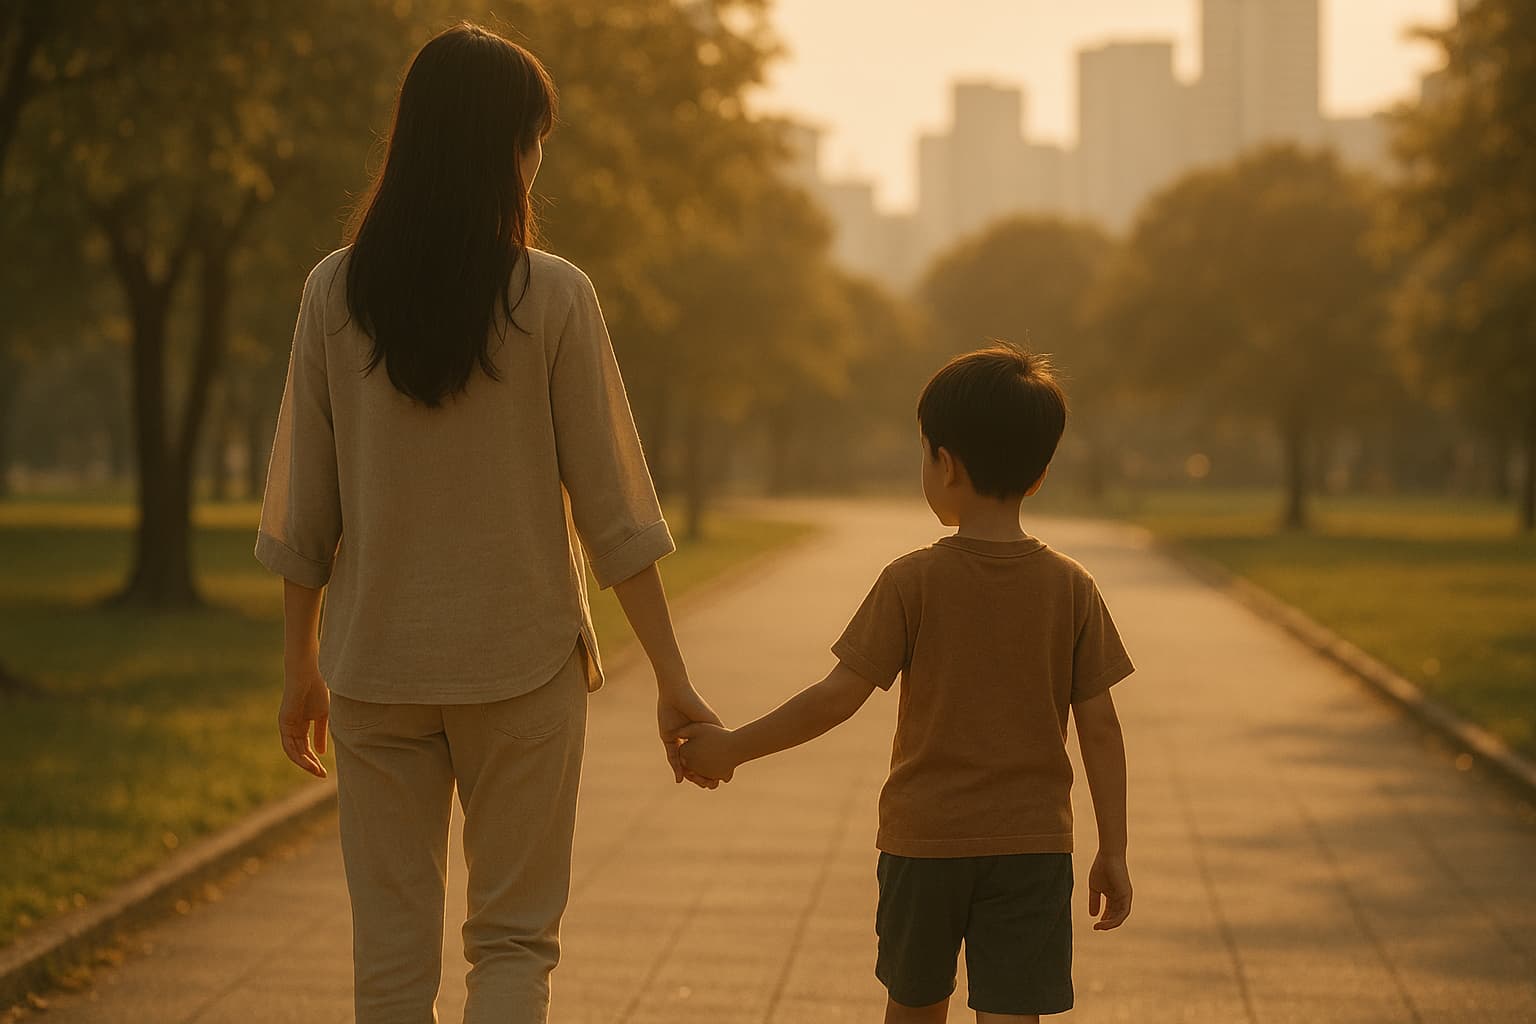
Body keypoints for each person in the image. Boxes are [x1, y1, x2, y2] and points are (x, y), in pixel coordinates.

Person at [253, 23, 720, 1024]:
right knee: (512, 941)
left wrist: (301, 660)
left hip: (375, 666)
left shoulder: (334, 292)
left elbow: (305, 503)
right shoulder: (553, 297)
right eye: (534, 135)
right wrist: (673, 678)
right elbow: (616, 510)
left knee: (388, 957)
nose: (538, 156)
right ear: (506, 146)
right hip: (522, 666)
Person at [678, 344, 1136, 1023]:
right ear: (1039, 474)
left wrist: (732, 748)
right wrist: (1115, 850)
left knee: (914, 1009)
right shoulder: (1072, 587)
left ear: (944, 463)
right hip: (1033, 848)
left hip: (924, 845)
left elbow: (835, 698)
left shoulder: (912, 581)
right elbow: (1100, 726)